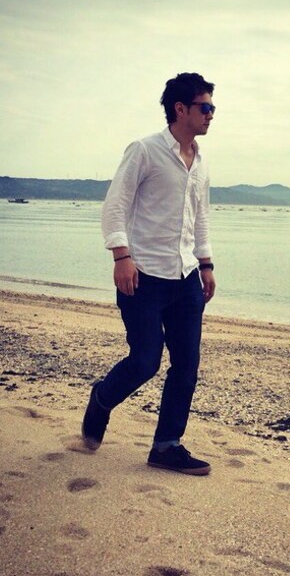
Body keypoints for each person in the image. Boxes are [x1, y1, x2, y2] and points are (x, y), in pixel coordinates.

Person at [81, 72, 217, 475]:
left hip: (186, 278)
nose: (211, 114)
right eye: (205, 107)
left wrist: (206, 264)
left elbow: (200, 219)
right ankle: (101, 400)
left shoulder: (201, 163)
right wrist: (121, 256)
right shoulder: (144, 150)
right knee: (144, 361)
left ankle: (166, 446)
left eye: (212, 107)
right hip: (143, 277)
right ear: (181, 109)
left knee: (186, 366)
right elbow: (115, 205)